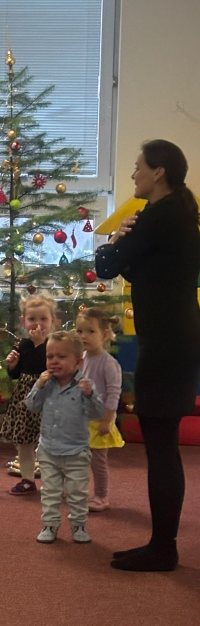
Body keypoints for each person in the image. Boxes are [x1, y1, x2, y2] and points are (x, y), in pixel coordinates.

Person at [96, 139, 200, 572]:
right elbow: (141, 270)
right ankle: (162, 544)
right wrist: (123, 248)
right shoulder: (177, 213)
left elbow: (106, 266)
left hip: (168, 345)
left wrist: (113, 240)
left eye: (139, 167)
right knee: (162, 445)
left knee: (160, 447)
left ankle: (163, 549)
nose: (134, 174)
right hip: (175, 340)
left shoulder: (159, 214)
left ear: (159, 172)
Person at [26, 331, 105, 545]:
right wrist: (38, 385)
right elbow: (31, 406)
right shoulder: (46, 383)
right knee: (50, 492)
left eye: (61, 357)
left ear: (78, 362)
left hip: (76, 450)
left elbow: (98, 413)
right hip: (48, 449)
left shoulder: (85, 385)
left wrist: (90, 395)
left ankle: (78, 525)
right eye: (50, 356)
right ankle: (50, 525)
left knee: (77, 492)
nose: (54, 361)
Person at [0, 295, 55, 495]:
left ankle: (52, 481)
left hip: (47, 397)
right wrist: (12, 365)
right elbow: (16, 374)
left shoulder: (53, 344)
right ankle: (27, 479)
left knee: (48, 443)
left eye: (43, 319)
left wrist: (40, 345)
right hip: (25, 398)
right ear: (23, 321)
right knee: (24, 443)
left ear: (52, 320)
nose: (37, 324)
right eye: (32, 319)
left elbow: (50, 365)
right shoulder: (22, 345)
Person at [76, 308, 123, 512]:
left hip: (100, 420)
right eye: (79, 331)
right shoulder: (81, 359)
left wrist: (107, 420)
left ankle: (101, 496)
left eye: (90, 331)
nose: (83, 336)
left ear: (104, 335)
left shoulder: (109, 364)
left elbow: (114, 393)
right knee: (76, 458)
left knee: (98, 462)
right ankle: (76, 490)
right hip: (81, 419)